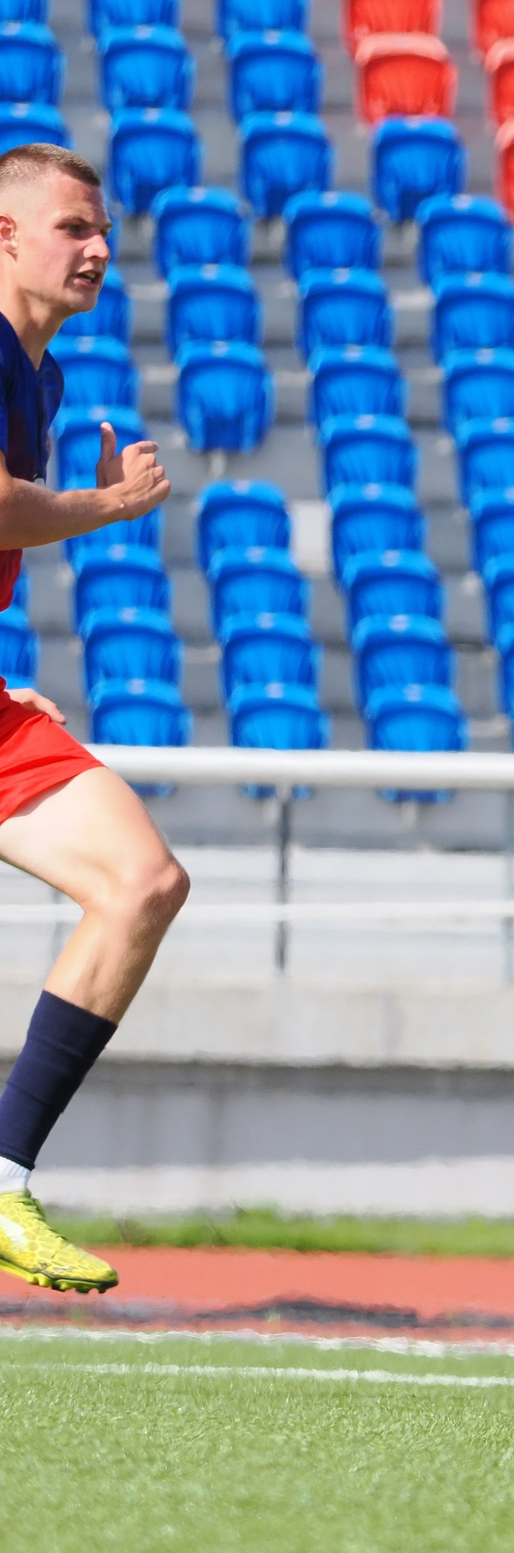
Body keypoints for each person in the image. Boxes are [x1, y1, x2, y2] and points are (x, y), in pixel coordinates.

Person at [0, 144, 187, 1294]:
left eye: (104, 229)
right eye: (75, 227)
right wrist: (108, 505)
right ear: (5, 234)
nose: (100, 249)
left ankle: (2, 1181)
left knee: (142, 883)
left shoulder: (43, 375)